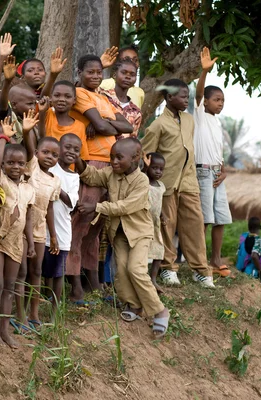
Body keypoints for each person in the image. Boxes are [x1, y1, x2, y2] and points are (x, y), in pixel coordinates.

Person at [74, 138, 170, 338]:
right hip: (117, 232)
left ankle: (159, 310)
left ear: (135, 158)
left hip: (139, 232)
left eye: (119, 158)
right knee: (122, 270)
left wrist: (97, 207)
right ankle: (134, 305)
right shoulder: (110, 173)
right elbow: (92, 177)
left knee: (136, 269)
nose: (114, 162)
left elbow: (126, 206)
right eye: (111, 157)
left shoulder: (142, 181)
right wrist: (79, 160)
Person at [68, 54, 133, 302]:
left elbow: (127, 126)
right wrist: (105, 123)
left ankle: (91, 282)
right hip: (93, 161)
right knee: (81, 223)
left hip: (111, 165)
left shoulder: (104, 97)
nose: (95, 76)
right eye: (90, 72)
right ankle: (74, 285)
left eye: (98, 72)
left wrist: (104, 121)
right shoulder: (81, 94)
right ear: (80, 72)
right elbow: (106, 127)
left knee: (96, 228)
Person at [141, 78, 215, 288]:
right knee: (167, 225)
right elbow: (146, 155)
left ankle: (200, 270)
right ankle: (167, 268)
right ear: (169, 97)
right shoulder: (157, 125)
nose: (186, 100)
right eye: (182, 97)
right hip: (166, 184)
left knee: (195, 224)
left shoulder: (189, 120)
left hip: (189, 182)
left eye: (187, 96)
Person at [0, 118, 36, 348]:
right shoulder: (1, 180)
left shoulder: (28, 188)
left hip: (17, 242)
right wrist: (3, 139)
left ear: (25, 165)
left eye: (20, 163)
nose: (15, 167)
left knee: (9, 287)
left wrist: (31, 242)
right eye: (11, 163)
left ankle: (6, 330)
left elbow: (29, 217)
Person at [17, 110, 61, 329]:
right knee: (22, 271)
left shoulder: (55, 181)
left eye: (54, 155)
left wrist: (53, 236)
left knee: (36, 272)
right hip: (20, 228)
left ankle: (33, 313)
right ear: (37, 153)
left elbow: (50, 208)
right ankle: (18, 315)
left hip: (39, 229)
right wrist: (26, 131)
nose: (49, 157)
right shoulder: (32, 166)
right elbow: (28, 145)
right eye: (45, 152)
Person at [194, 47, 232, 278]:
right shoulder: (199, 113)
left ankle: (216, 259)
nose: (221, 103)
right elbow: (198, 92)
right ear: (205, 102)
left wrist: (224, 170)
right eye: (217, 99)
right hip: (203, 173)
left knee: (221, 218)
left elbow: (218, 151)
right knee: (204, 219)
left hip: (217, 174)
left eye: (223, 100)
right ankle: (199, 261)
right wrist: (204, 72)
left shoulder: (217, 123)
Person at [43, 134, 81, 312]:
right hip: (41, 229)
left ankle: (55, 312)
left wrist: (56, 185)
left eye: (76, 150)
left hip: (63, 231)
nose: (71, 152)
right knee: (39, 268)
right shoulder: (50, 167)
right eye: (67, 147)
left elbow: (71, 202)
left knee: (58, 272)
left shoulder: (74, 177)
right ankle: (37, 303)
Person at [0, 33, 66, 101]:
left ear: (45, 74)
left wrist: (53, 75)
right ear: (23, 77)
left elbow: (43, 100)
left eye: (40, 70)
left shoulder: (55, 92)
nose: (36, 72)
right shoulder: (16, 95)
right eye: (30, 70)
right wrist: (1, 57)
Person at [38, 80, 89, 158]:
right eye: (57, 95)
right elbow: (41, 136)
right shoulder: (46, 114)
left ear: (74, 100)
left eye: (67, 96)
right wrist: (42, 112)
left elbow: (82, 156)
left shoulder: (80, 126)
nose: (62, 99)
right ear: (51, 97)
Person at [0, 55, 38, 143]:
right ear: (14, 105)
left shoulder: (34, 122)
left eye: (34, 104)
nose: (34, 107)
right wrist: (7, 81)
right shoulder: (8, 115)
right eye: (29, 104)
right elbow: (1, 103)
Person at [101, 59, 142, 138]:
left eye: (132, 74)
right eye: (123, 72)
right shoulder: (102, 95)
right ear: (114, 75)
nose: (128, 77)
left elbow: (132, 139)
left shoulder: (136, 112)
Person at [144, 153, 167, 294]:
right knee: (143, 251)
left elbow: (159, 203)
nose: (158, 171)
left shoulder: (161, 186)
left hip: (156, 223)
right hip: (144, 222)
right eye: (154, 168)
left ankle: (153, 279)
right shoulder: (144, 182)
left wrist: (163, 215)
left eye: (161, 169)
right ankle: (143, 278)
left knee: (159, 251)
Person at [235, 217, 261, 281]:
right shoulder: (258, 241)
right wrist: (259, 269)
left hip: (241, 271)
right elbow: (254, 256)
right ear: (260, 227)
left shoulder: (243, 238)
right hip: (252, 273)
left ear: (248, 228)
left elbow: (239, 254)